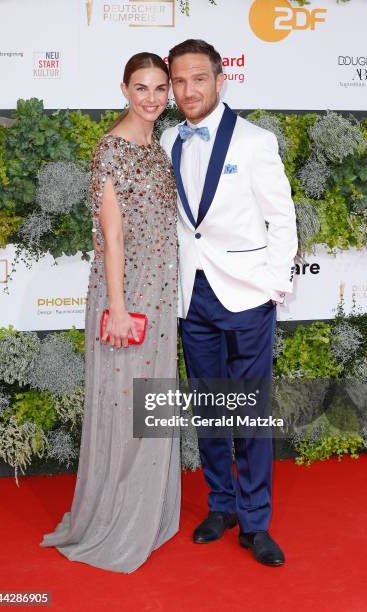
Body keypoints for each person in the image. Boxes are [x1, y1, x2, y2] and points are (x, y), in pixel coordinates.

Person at [40, 52, 180, 573]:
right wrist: (118, 308)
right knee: (124, 407)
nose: (151, 99)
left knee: (152, 402)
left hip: (162, 296)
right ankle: (114, 520)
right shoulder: (109, 151)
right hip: (125, 296)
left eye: (159, 89)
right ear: (123, 89)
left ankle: (147, 512)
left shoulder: (158, 148)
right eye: (141, 88)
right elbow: (112, 235)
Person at [160, 39, 298, 566]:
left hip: (246, 296)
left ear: (222, 80)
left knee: (251, 415)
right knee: (211, 408)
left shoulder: (255, 141)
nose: (188, 90)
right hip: (192, 297)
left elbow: (282, 218)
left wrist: (273, 285)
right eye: (179, 81)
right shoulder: (169, 138)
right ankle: (221, 504)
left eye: (199, 79)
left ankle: (256, 521)